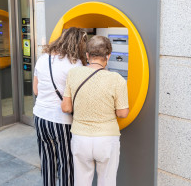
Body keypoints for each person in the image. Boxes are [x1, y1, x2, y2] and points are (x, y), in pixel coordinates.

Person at [61, 36, 129, 186]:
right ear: (108, 56)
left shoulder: (73, 73)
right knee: (107, 182)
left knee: (81, 182)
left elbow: (66, 107)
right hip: (106, 140)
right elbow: (122, 113)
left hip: (80, 138)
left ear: (87, 55)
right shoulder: (116, 79)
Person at [33, 27, 88, 186]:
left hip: (40, 117)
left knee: (47, 160)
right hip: (61, 121)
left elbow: (36, 90)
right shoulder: (76, 65)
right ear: (79, 45)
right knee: (66, 164)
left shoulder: (43, 58)